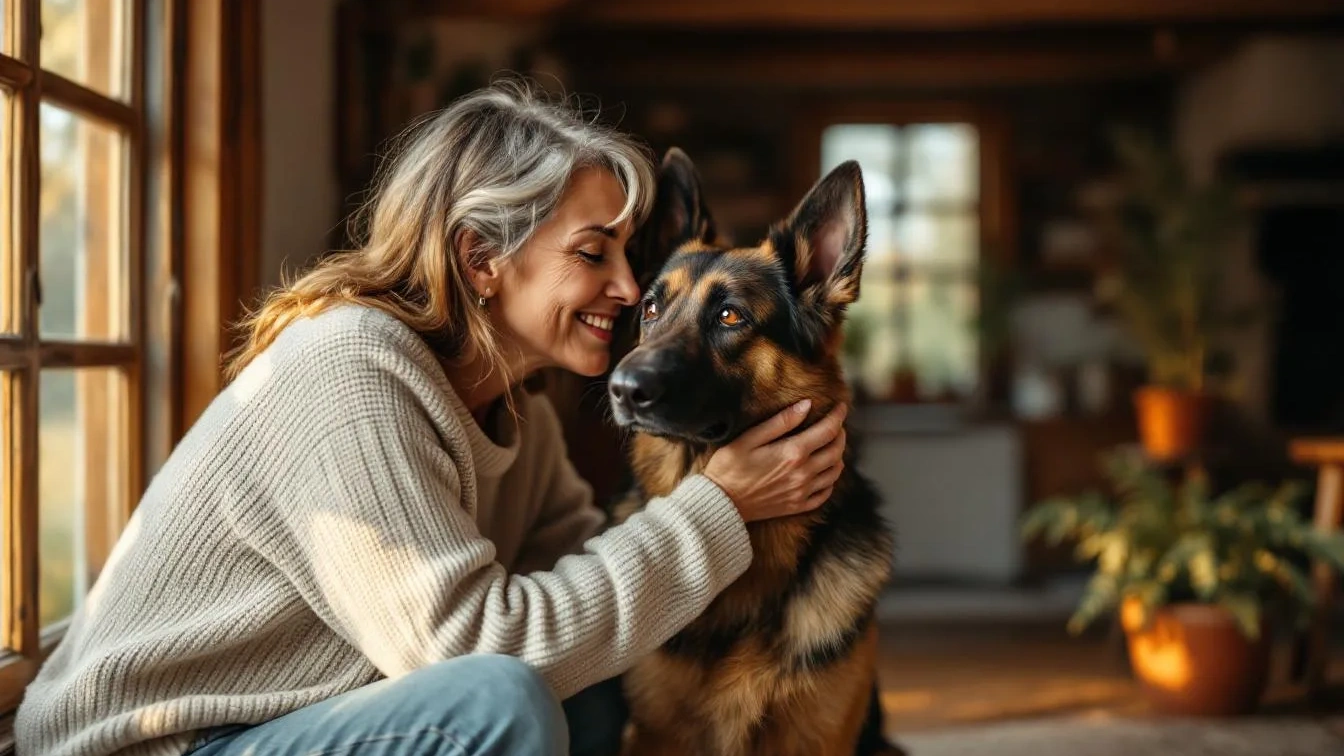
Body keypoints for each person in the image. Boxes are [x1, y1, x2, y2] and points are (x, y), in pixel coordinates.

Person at [14, 80, 848, 756]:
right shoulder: (350, 370)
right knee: (497, 699)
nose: (631, 292)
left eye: (627, 257)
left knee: (594, 681)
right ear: (481, 259)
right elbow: (466, 649)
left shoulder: (516, 414)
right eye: (595, 254)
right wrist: (722, 507)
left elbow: (601, 594)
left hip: (287, 722)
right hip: (159, 745)